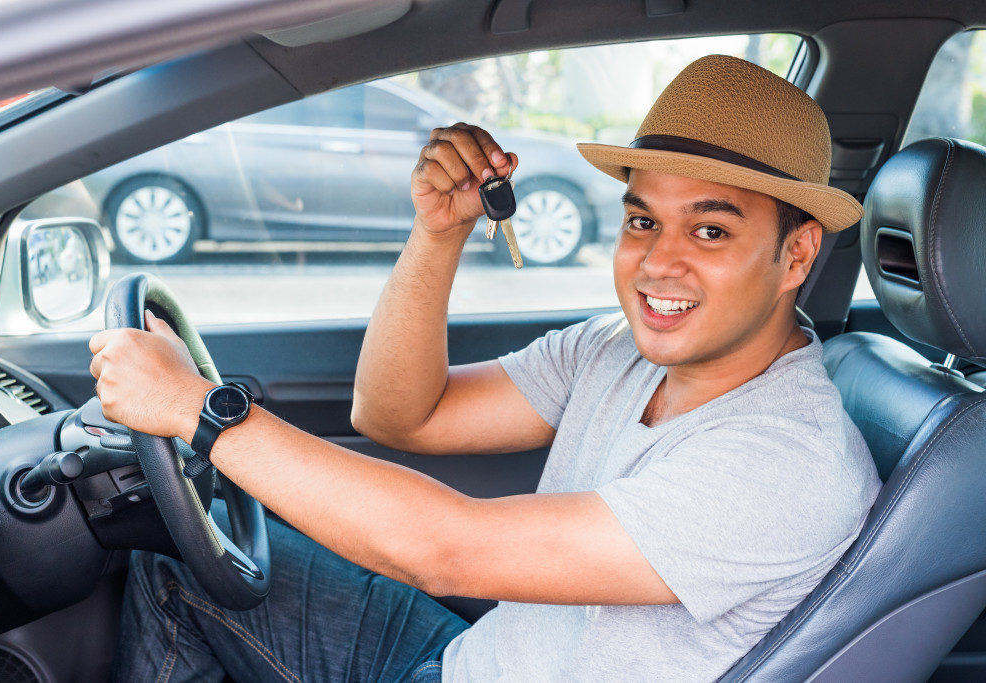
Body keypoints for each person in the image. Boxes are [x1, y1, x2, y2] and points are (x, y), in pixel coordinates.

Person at [96, 55, 882, 682]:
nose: (656, 264)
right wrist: (439, 235)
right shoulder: (617, 349)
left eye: (709, 231)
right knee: (178, 557)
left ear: (797, 255)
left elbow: (445, 549)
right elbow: (400, 414)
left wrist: (198, 409)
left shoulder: (787, 462)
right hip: (473, 656)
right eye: (643, 220)